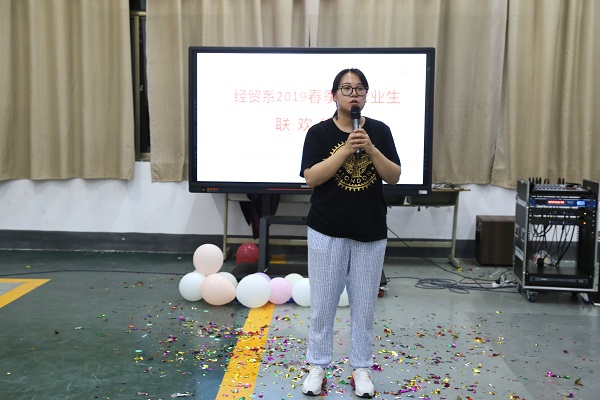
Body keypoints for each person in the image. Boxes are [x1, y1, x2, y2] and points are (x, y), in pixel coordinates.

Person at [299, 68, 401, 398]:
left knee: (364, 308)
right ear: (334, 95)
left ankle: (361, 367)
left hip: (369, 230)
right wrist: (345, 150)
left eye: (359, 88)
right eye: (346, 88)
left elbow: (394, 176)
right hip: (326, 230)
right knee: (322, 306)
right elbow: (311, 178)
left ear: (366, 96)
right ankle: (317, 365)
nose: (353, 93)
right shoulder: (319, 133)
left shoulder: (380, 131)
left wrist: (371, 149)